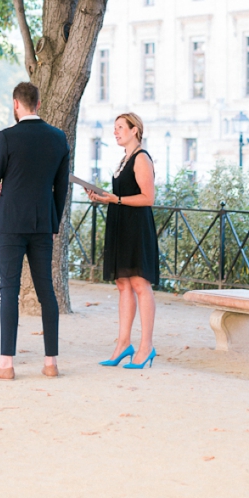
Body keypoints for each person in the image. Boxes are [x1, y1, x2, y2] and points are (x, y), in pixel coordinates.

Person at [0, 81, 70, 380]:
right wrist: (53, 222)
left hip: (11, 224)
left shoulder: (7, 137)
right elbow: (61, 187)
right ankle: (51, 363)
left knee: (8, 292)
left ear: (16, 104)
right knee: (46, 292)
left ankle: (6, 365)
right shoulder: (58, 138)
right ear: (38, 104)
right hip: (42, 225)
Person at [89, 112, 159, 369]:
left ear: (134, 130)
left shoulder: (141, 158)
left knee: (140, 284)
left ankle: (146, 346)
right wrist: (102, 197)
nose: (115, 132)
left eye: (120, 127)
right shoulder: (124, 159)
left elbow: (148, 198)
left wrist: (115, 200)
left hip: (136, 227)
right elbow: (122, 193)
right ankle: (123, 344)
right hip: (120, 223)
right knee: (122, 284)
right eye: (115, 127)